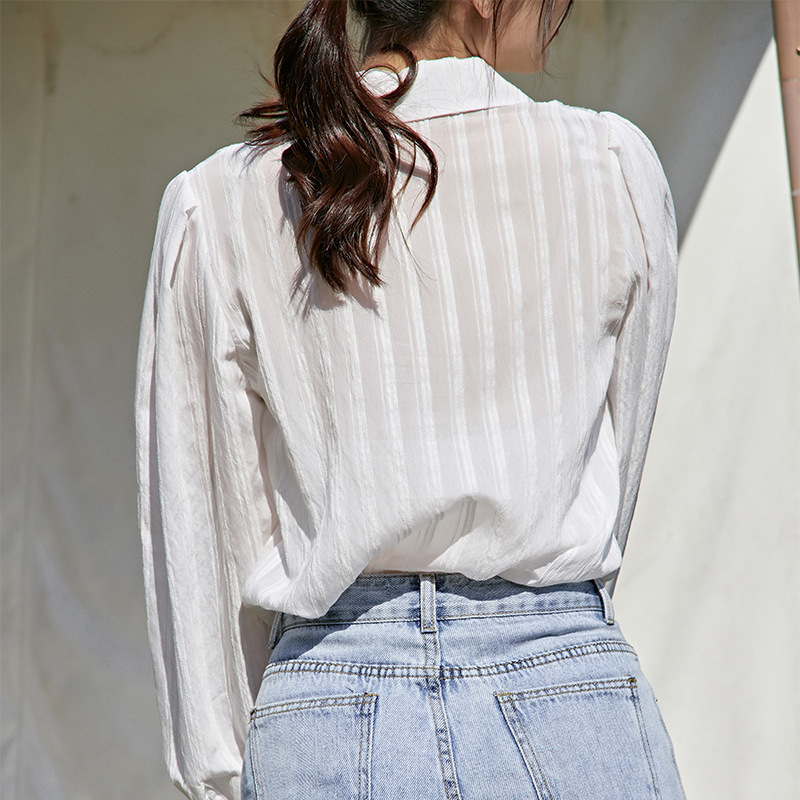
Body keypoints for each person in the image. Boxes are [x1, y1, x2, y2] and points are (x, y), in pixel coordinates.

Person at [135, 0, 686, 798]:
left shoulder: (223, 198)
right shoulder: (612, 167)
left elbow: (204, 532)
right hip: (568, 698)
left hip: (328, 707)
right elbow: (618, 466)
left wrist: (230, 772)